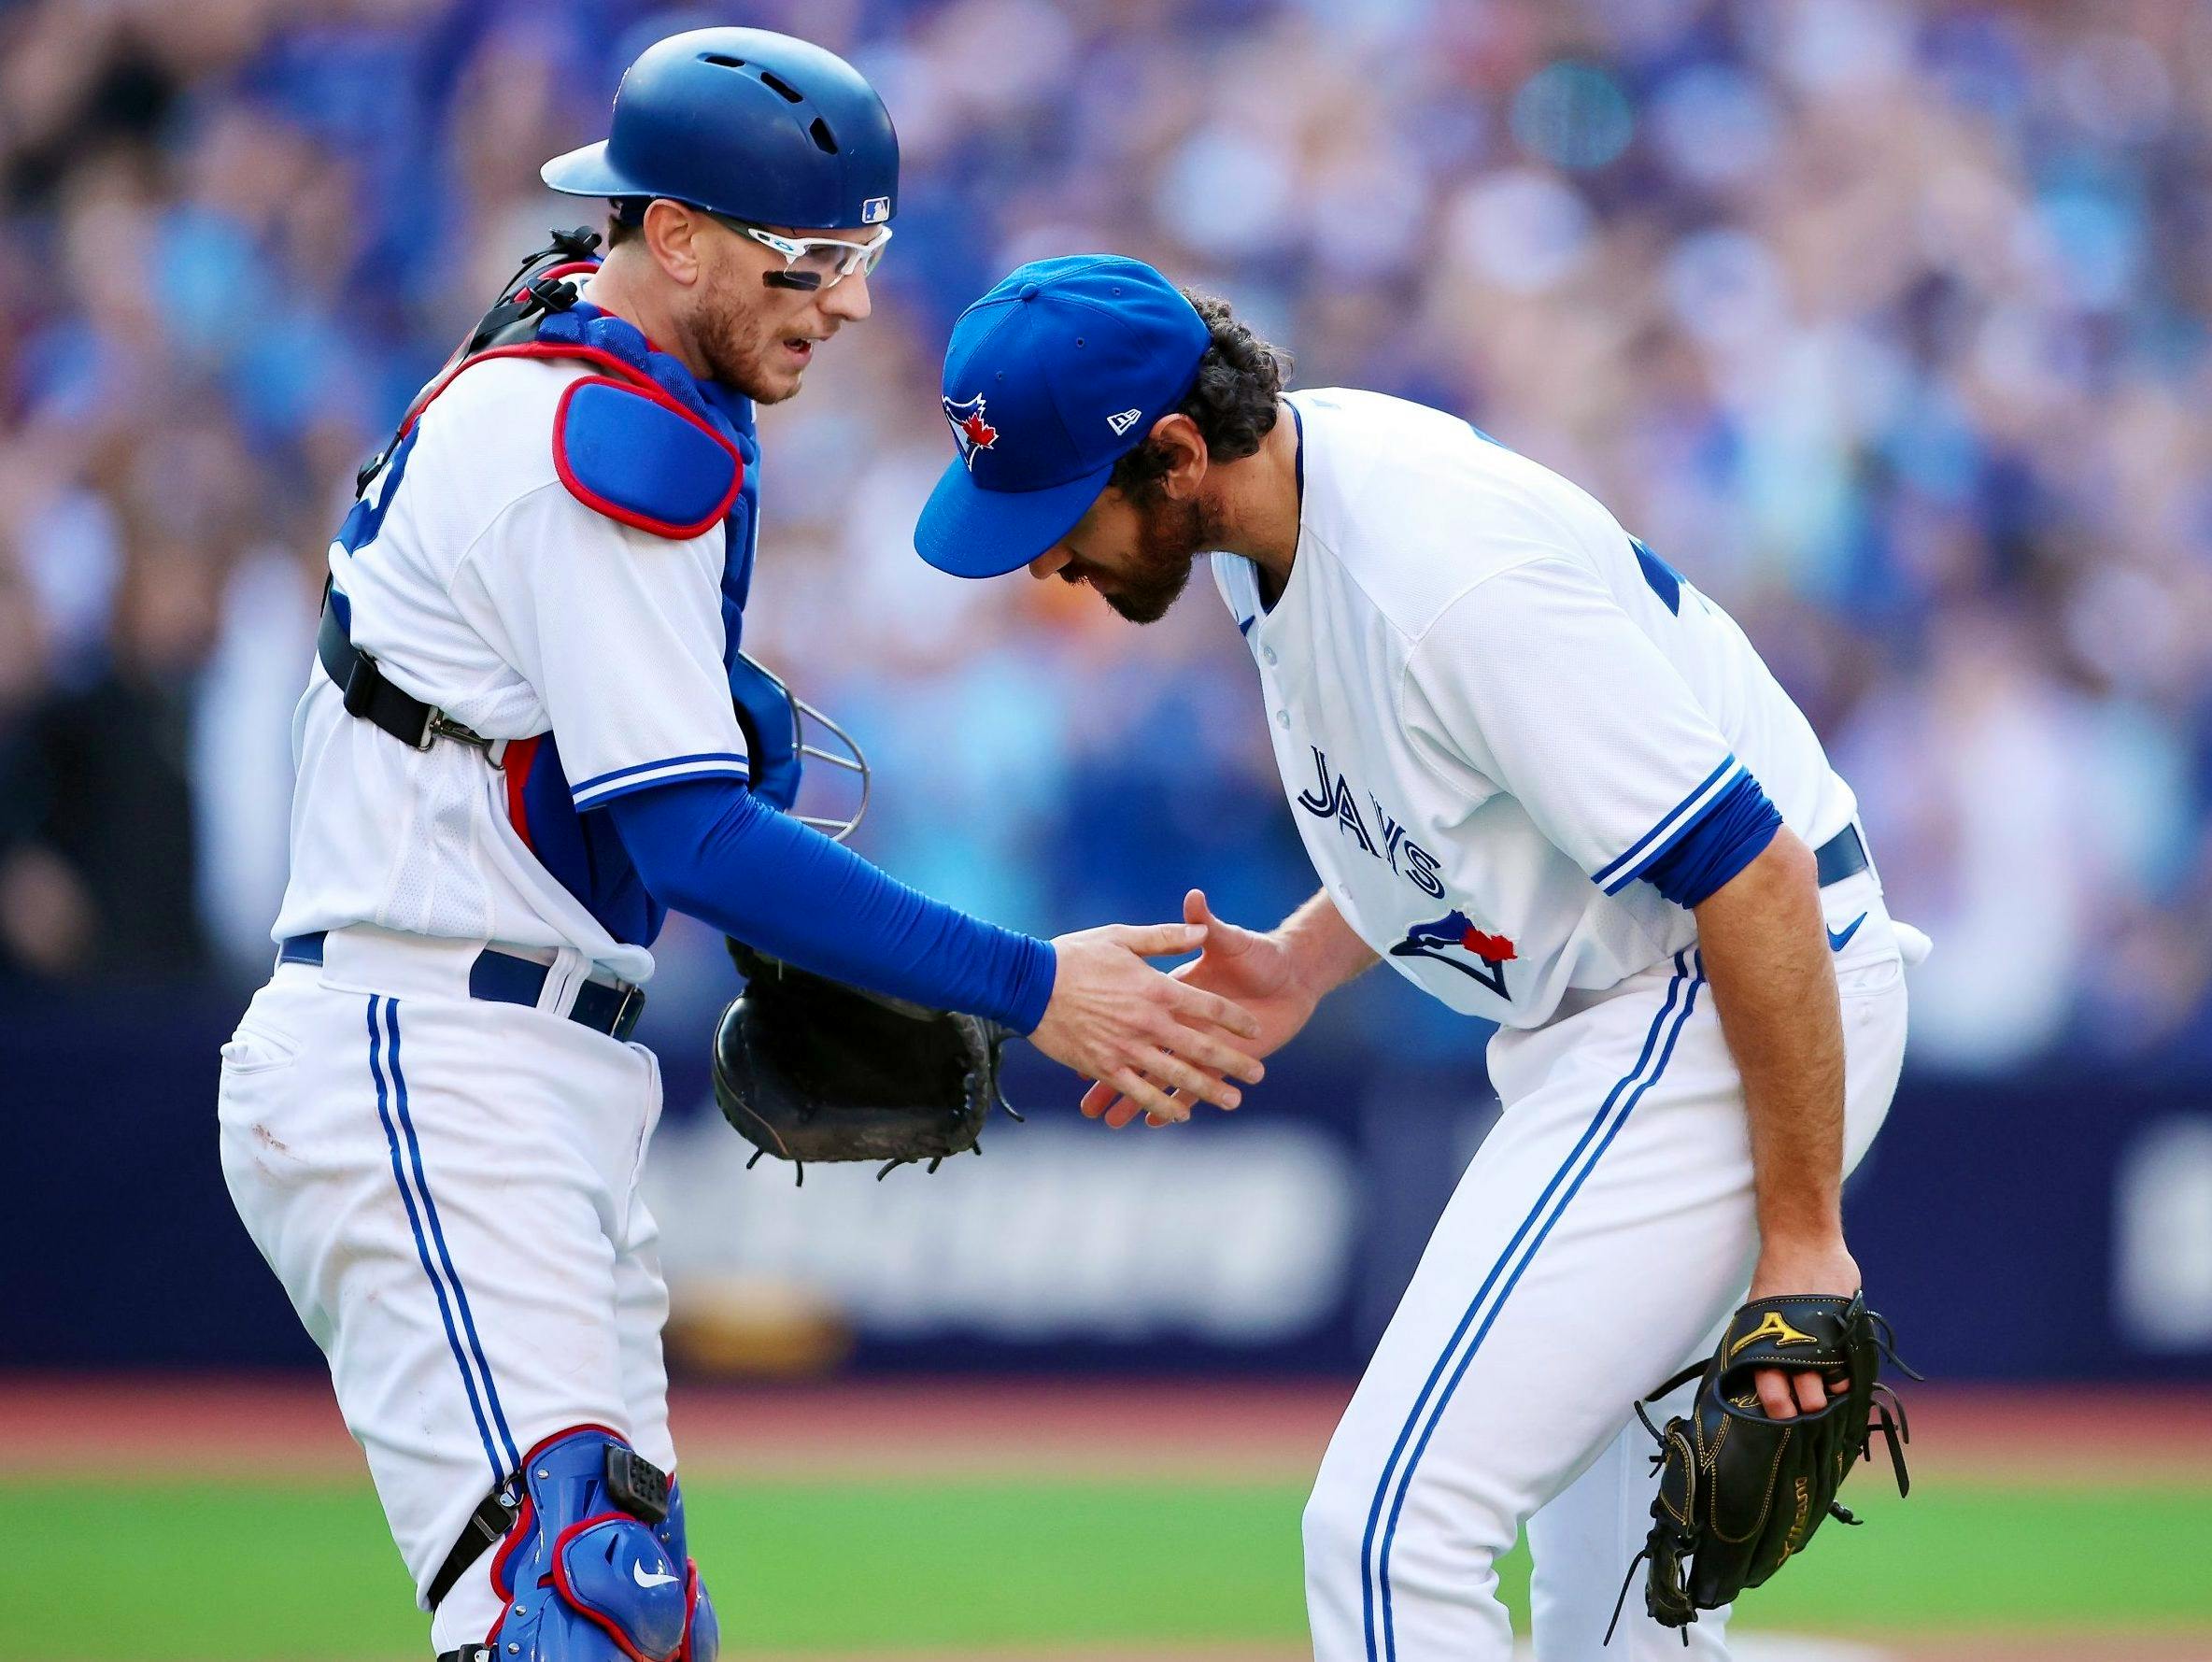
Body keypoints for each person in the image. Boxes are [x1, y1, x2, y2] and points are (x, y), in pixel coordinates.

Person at [215, 45, 1261, 1662]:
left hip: (504, 1057)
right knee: (577, 1613)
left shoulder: (581, 357)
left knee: (645, 1622)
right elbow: (687, 833)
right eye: (813, 255)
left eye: (863, 255)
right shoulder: (600, 436)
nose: (847, 301)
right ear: (681, 238)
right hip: (426, 1054)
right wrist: (1030, 982)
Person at [913, 254, 1919, 1661]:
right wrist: (1310, 962)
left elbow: (1754, 872)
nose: (1039, 557)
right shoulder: (1273, 524)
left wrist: (1803, 1236)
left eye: (1056, 508)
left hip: (1722, 993)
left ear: (1181, 453)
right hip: (1645, 997)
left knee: (1392, 1529)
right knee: (1612, 1619)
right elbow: (1462, 809)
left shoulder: (1444, 575)